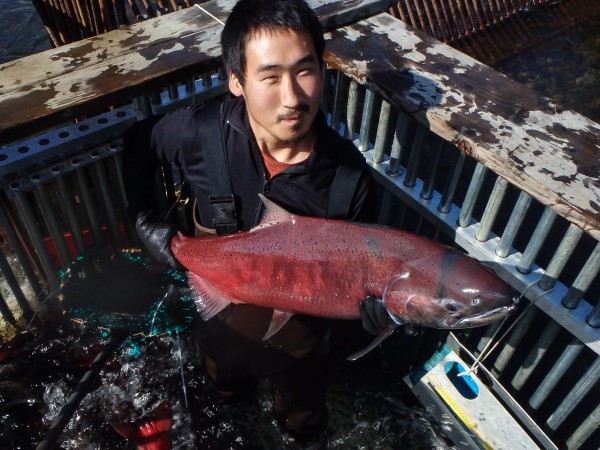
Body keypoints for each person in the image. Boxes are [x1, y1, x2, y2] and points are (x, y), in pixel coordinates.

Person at [122, 0, 389, 439]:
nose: (293, 97)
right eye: (270, 76)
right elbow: (137, 142)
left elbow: (364, 273)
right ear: (236, 81)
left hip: (302, 347)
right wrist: (142, 219)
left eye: (305, 71)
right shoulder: (200, 134)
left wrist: (368, 318)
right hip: (220, 329)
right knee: (226, 406)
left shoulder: (349, 179)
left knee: (303, 424)